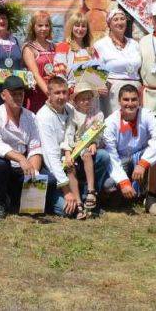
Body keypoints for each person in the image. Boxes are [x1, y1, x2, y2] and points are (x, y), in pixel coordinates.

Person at [0, 76, 44, 220]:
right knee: (0, 165)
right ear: (3, 95)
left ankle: (28, 201)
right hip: (4, 164)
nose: (18, 97)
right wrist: (20, 158)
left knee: (49, 181)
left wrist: (33, 175)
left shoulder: (31, 117)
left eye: (21, 94)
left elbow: (35, 147)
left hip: (23, 166)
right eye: (13, 94)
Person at [102, 84, 156, 215]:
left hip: (141, 157)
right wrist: (123, 181)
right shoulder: (110, 122)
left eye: (134, 99)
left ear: (139, 101)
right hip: (121, 160)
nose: (130, 103)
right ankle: (130, 193)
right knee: (109, 185)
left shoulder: (146, 115)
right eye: (126, 99)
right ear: (119, 101)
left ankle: (151, 197)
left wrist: (143, 163)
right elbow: (111, 156)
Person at [62, 85, 106, 215]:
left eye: (88, 98)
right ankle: (78, 203)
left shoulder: (98, 114)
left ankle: (91, 191)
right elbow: (69, 133)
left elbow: (99, 133)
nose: (86, 102)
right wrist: (68, 152)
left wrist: (94, 143)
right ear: (75, 101)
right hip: (75, 146)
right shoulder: (73, 115)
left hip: (87, 147)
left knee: (87, 154)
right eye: (82, 99)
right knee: (70, 168)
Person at [92, 8, 141, 116]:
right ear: (109, 24)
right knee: (116, 124)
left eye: (122, 19)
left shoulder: (135, 44)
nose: (120, 22)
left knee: (134, 125)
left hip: (135, 90)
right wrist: (99, 86)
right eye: (116, 19)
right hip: (113, 92)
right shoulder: (101, 45)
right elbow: (93, 72)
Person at [22, 10, 57, 113]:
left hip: (55, 93)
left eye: (47, 25)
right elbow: (35, 75)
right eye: (40, 25)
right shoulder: (29, 48)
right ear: (33, 27)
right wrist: (49, 94)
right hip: (38, 95)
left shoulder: (54, 46)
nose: (44, 29)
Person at [53, 12, 98, 83]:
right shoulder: (63, 47)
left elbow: (97, 75)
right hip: (71, 90)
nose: (80, 29)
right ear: (71, 27)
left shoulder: (91, 49)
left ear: (87, 29)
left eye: (83, 26)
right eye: (77, 25)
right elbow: (59, 74)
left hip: (90, 90)